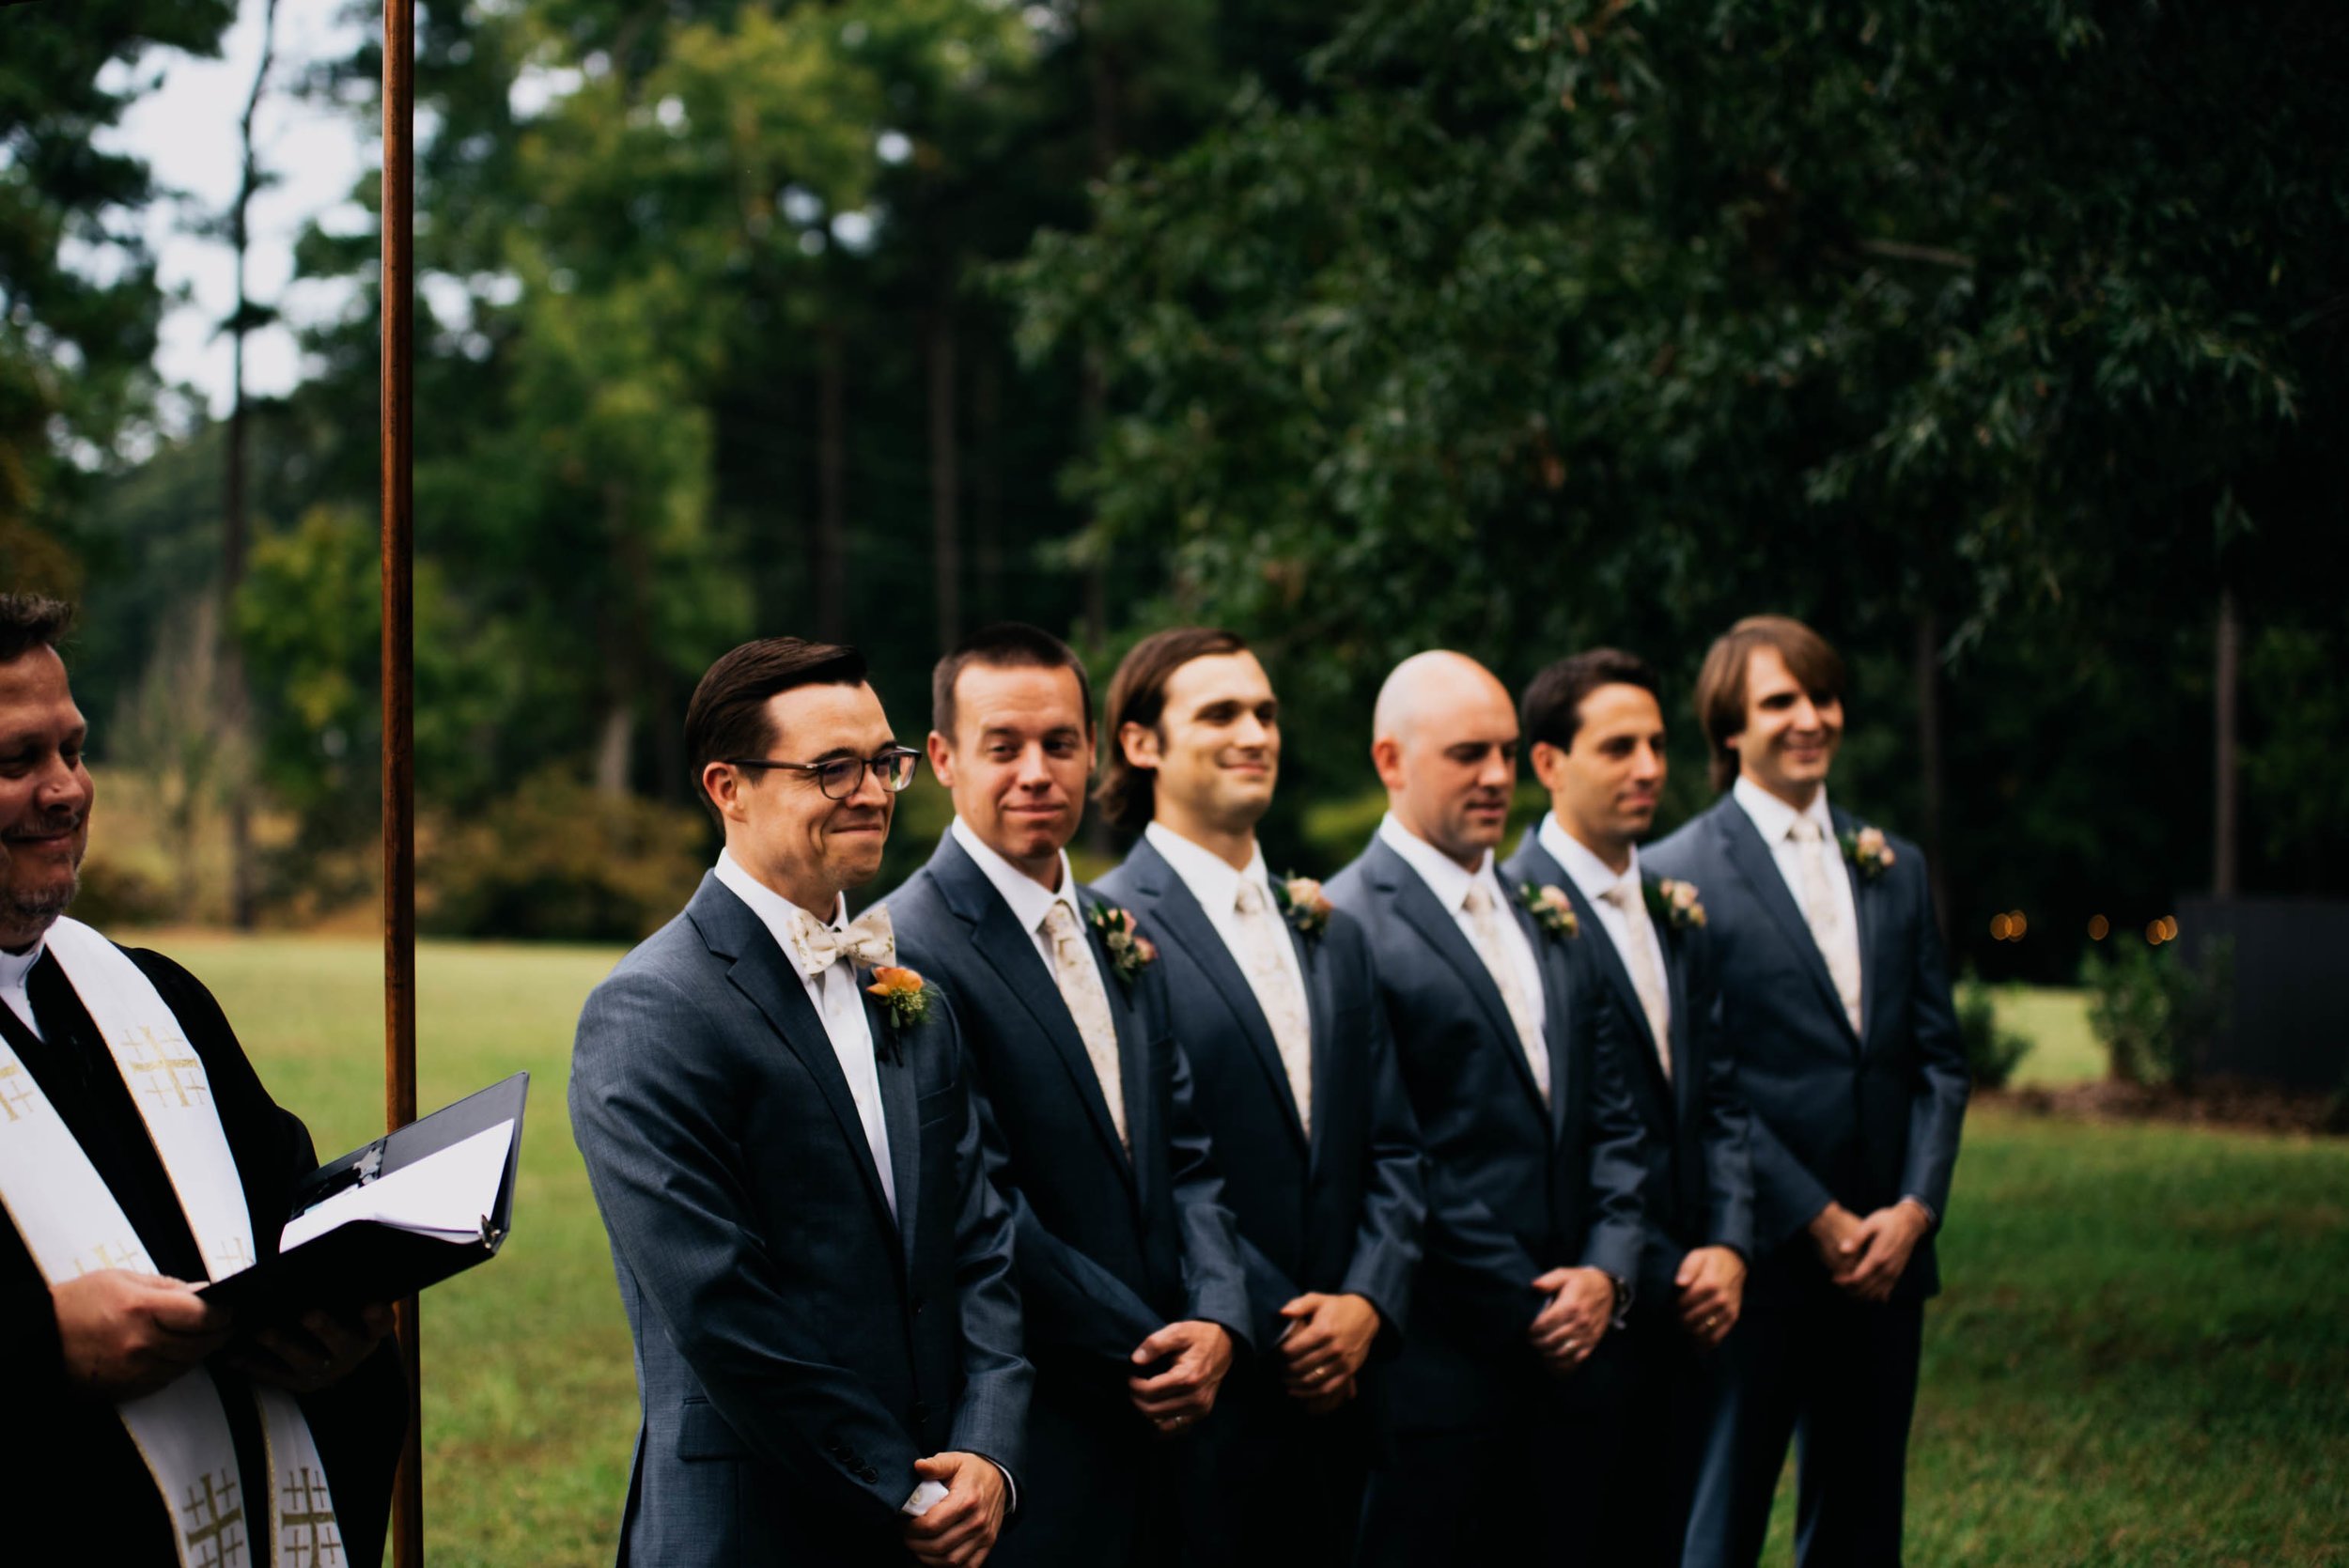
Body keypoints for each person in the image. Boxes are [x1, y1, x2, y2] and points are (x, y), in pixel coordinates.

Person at [569, 635, 1028, 1568]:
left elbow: (980, 1239)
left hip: (949, 1514)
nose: (870, 790)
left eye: (883, 763)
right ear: (726, 788)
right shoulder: (651, 1008)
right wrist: (902, 1483)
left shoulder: (906, 989)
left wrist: (988, 1447)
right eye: (830, 768)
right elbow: (719, 1307)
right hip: (756, 1522)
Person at [0, 593, 402, 1566]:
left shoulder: (152, 997)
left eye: (75, 750)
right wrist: (41, 1351)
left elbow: (282, 1214)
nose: (67, 789)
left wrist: (342, 1333)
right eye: (18, 761)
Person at [885, 623, 1252, 1568]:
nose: (1036, 771)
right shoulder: (908, 951)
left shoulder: (1116, 928)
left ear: (1094, 749)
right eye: (1002, 747)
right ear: (943, 758)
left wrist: (1217, 1315)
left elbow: (1186, 1152)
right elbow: (977, 1202)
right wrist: (1149, 1347)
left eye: (1059, 743)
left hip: (1183, 1410)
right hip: (1046, 1413)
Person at [1093, 628, 1425, 1568]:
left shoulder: (1331, 927)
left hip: (1353, 1394)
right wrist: (1284, 1326)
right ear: (1140, 743)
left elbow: (1395, 1145)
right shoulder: (1106, 928)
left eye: (1266, 713)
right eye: (1221, 713)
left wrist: (1367, 1302)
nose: (1255, 732)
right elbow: (1148, 1169)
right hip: (1214, 1406)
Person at [1646, 614, 1968, 1567]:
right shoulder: (1676, 876)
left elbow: (1938, 1061)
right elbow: (1704, 1083)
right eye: (1778, 700)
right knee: (1723, 1509)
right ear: (1728, 728)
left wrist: (1913, 1208)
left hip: (1889, 1256)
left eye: (1820, 696)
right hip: (1758, 1252)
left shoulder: (1895, 864)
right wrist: (1817, 1217)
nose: (1807, 717)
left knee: (1864, 1510)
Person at [1326, 649, 1647, 1565]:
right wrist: (1530, 1303)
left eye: (1508, 752)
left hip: (1583, 1349)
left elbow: (1613, 1116)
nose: (1500, 776)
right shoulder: (1347, 922)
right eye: (1469, 754)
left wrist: (1606, 1271)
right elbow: (1392, 1148)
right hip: (1439, 1364)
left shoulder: (1546, 909)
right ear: (1392, 761)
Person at [1501, 647, 1753, 1563]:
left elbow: (1717, 1093)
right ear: (1547, 763)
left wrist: (1728, 1241)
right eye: (1617, 747)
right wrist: (1662, 1261)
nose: (1649, 767)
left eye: (1654, 744)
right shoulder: (1517, 910)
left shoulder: (1673, 907)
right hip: (1584, 1308)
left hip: (1700, 1309)